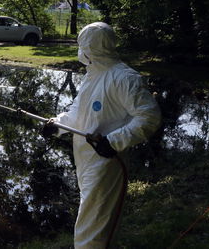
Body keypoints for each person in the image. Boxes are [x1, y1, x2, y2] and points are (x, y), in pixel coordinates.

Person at [41, 22, 161, 248]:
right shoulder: (93, 75)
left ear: (89, 47)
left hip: (107, 162)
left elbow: (149, 117)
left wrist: (114, 141)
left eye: (81, 45)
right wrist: (57, 126)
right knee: (90, 218)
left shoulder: (124, 78)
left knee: (93, 227)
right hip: (85, 159)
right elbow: (79, 113)